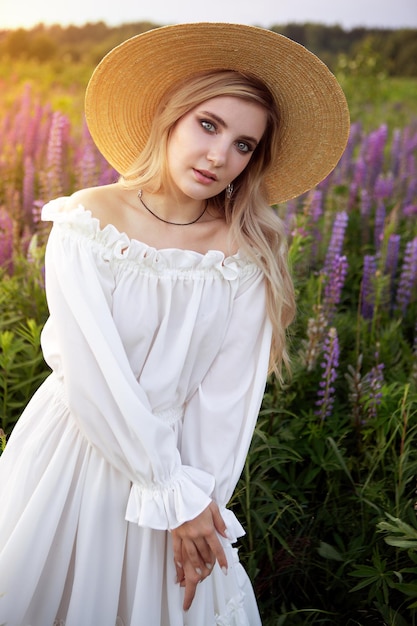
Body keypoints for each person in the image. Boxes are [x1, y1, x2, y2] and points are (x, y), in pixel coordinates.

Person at [0, 22, 349, 626]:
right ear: (170, 118)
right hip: (79, 448)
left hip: (183, 472)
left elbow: (224, 405)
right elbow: (94, 372)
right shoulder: (88, 221)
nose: (219, 155)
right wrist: (169, 492)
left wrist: (196, 504)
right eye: (208, 125)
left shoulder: (246, 255)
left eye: (243, 145)